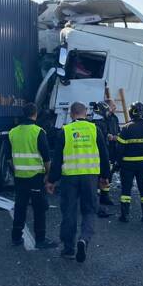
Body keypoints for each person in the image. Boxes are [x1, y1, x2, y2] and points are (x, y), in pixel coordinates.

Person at [46, 101, 111, 262]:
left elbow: (57, 160)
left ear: (71, 114)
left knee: (69, 212)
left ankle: (69, 249)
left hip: (70, 178)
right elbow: (104, 155)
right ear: (86, 113)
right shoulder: (94, 129)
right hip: (90, 177)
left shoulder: (65, 131)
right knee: (89, 211)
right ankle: (84, 239)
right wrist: (105, 177)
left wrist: (51, 180)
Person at [7, 104, 58, 249]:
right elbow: (47, 158)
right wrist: (48, 175)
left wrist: (16, 170)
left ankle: (16, 237)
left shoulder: (13, 132)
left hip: (19, 177)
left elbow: (9, 158)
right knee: (39, 208)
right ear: (35, 114)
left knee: (20, 206)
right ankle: (40, 239)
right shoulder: (38, 132)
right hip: (36, 177)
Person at [116, 101, 143, 223]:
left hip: (127, 165)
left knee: (126, 191)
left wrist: (117, 163)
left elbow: (120, 149)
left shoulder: (126, 128)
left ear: (131, 113)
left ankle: (124, 216)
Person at [91, 101, 120, 214]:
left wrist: (116, 137)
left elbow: (116, 129)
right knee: (99, 175)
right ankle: (97, 201)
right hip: (102, 150)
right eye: (112, 106)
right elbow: (103, 135)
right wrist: (108, 136)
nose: (114, 109)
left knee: (108, 173)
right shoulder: (98, 122)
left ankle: (104, 196)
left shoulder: (112, 118)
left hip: (110, 148)